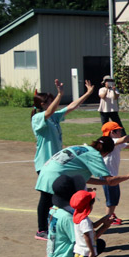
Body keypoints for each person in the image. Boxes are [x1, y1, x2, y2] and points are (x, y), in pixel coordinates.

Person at [31, 78, 95, 238]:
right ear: (43, 104)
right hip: (44, 163)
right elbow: (49, 112)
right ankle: (41, 229)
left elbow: (71, 107)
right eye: (51, 101)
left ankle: (56, 225)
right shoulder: (38, 117)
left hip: (56, 164)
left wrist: (87, 93)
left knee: (56, 195)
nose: (54, 103)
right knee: (47, 196)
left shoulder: (53, 117)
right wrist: (60, 94)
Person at [35, 138, 129, 220]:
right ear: (107, 152)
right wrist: (128, 176)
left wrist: (105, 182)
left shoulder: (83, 148)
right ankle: (49, 229)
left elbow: (87, 179)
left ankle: (44, 229)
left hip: (46, 170)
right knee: (63, 205)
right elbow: (110, 180)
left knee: (47, 201)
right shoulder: (95, 155)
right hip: (56, 175)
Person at [70, 189, 114, 257]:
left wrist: (104, 221)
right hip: (84, 251)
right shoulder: (84, 221)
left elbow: (92, 227)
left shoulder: (78, 216)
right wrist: (91, 251)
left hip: (79, 249)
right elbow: (88, 237)